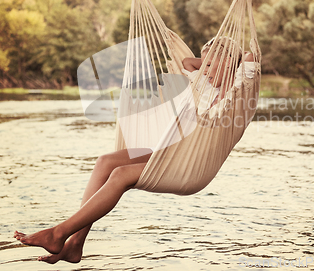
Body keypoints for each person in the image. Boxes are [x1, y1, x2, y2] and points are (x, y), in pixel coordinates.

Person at [14, 38, 256, 264]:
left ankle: (59, 233)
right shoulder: (202, 81)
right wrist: (211, 62)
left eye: (212, 64)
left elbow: (249, 56)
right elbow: (187, 62)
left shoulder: (238, 89)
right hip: (168, 149)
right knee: (105, 162)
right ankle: (75, 244)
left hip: (190, 163)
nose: (205, 69)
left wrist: (229, 61)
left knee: (121, 175)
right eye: (206, 64)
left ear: (229, 64)